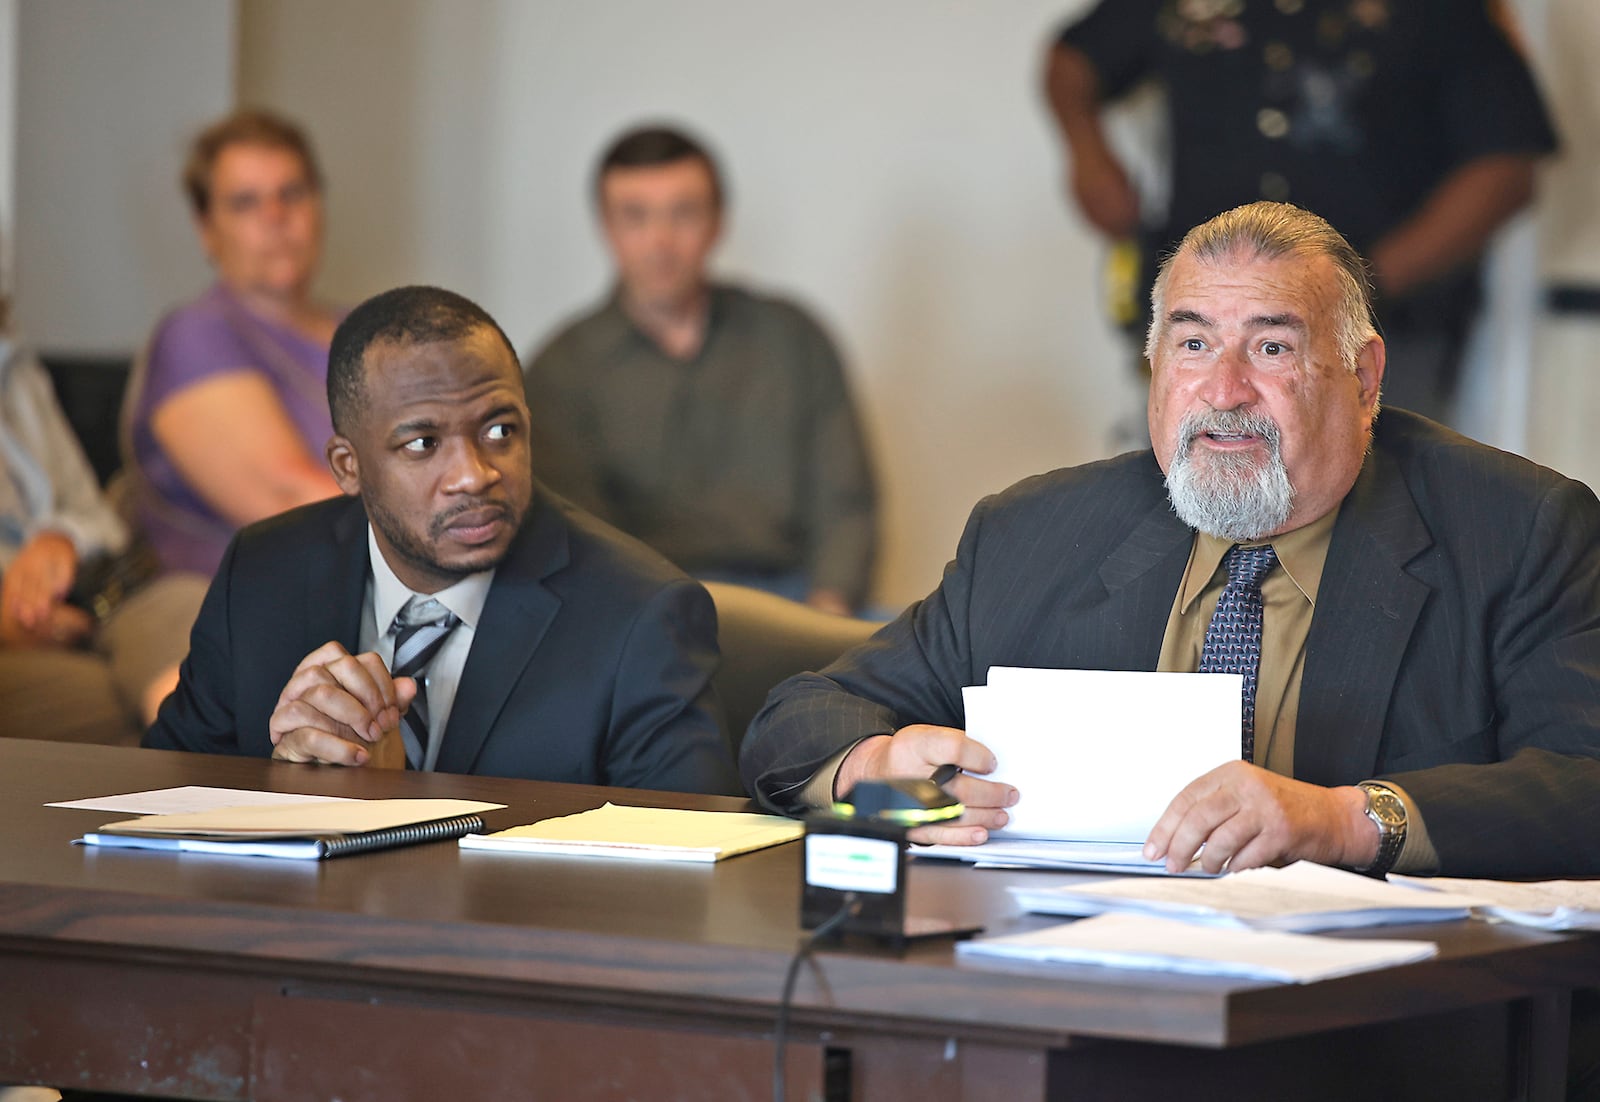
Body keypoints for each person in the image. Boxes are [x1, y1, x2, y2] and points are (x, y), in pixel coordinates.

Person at [741, 202, 1600, 883]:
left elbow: (1584, 784)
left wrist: (1343, 819)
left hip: (1375, 1023)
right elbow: (796, 720)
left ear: (1365, 379)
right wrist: (878, 767)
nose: (1224, 390)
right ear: (1156, 370)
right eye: (1193, 344)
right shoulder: (1034, 533)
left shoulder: (1517, 531)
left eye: (1271, 347)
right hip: (1067, 988)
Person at [144, 285, 739, 796]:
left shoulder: (638, 615)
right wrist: (294, 791)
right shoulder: (263, 573)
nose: (474, 474)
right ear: (348, 466)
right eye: (423, 444)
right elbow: (160, 797)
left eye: (500, 430)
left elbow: (683, 874)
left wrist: (391, 800)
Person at [1044, 0, 1559, 425]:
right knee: (1186, 500)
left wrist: (1358, 287)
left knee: (1373, 510)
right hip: (1205, 318)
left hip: (1373, 330)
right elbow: (1071, 61)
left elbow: (1506, 166)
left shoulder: (1441, 12)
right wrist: (1089, 158)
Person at [524, 125, 877, 615]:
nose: (660, 240)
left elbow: (846, 506)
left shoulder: (794, 338)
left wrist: (822, 629)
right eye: (635, 216)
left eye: (683, 213)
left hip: (796, 602)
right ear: (606, 226)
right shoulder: (560, 370)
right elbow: (578, 541)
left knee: (930, 661)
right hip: (644, 611)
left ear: (717, 222)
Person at [123, 108, 343, 578]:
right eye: (245, 202)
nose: (275, 217)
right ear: (207, 229)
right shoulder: (196, 333)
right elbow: (290, 502)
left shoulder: (367, 328)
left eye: (292, 193)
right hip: (239, 604)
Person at [0, 304, 204, 744]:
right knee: (99, 703)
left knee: (196, 612)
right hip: (22, 624)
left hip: (103, 587)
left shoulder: (14, 365)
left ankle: (217, 780)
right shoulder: (194, 334)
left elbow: (98, 518)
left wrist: (60, 538)